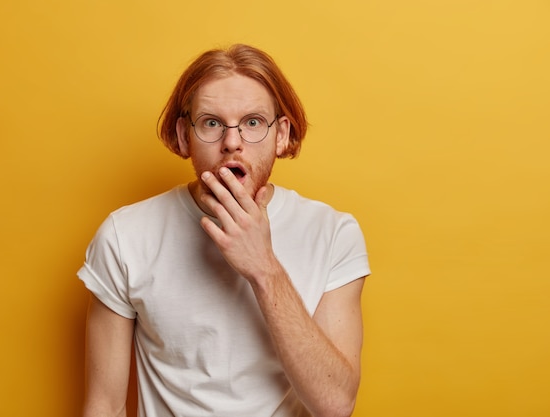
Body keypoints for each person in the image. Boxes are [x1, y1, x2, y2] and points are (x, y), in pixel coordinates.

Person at [78, 44, 371, 417]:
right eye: (212, 123)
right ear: (185, 136)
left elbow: (334, 405)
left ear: (280, 135)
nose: (232, 143)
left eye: (252, 122)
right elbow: (104, 406)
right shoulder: (124, 236)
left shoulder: (333, 235)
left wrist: (263, 267)